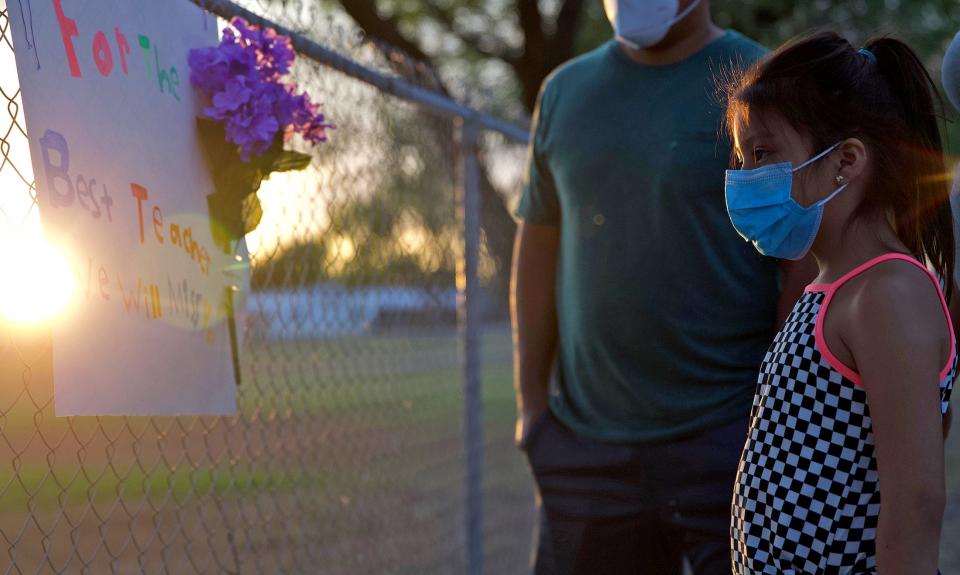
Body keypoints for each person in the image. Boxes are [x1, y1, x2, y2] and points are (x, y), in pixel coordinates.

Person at [510, 0, 814, 573]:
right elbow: (538, 250)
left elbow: (798, 261)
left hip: (728, 439)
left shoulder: (762, 82)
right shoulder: (563, 92)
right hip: (585, 445)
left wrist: (771, 422)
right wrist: (532, 409)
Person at [724, 32, 955, 574]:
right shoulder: (830, 289)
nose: (745, 177)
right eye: (742, 157)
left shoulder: (887, 293)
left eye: (763, 153)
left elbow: (916, 503)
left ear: (846, 160)